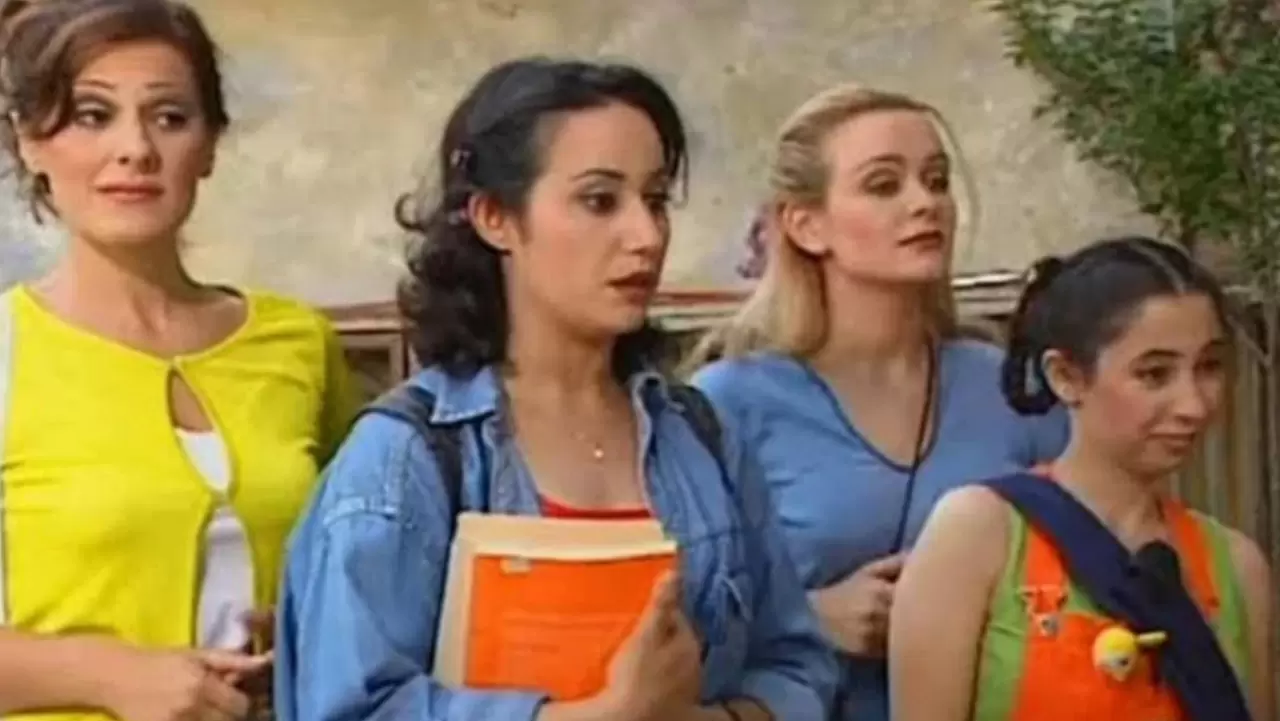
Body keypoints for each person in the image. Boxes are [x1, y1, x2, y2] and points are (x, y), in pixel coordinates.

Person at [274, 57, 838, 721]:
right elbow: (353, 707)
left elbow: (797, 663)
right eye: (599, 201)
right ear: (495, 217)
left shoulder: (699, 434)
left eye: (656, 201)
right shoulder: (409, 459)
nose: (646, 236)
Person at [0, 2, 359, 721]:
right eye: (93, 116)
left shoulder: (297, 341)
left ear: (210, 144)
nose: (135, 148)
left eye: (169, 117)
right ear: (29, 141)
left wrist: (311, 636)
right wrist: (109, 675)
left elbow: (361, 567)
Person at [683, 84, 1068, 720]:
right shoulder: (728, 403)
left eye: (937, 181)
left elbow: (1093, 564)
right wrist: (811, 618)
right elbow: (674, 622)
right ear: (806, 225)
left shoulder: (1011, 388)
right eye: (884, 185)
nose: (925, 203)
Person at [890, 236, 1274, 721]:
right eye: (1154, 374)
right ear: (1066, 377)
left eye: (1210, 367)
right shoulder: (979, 536)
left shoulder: (1236, 568)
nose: (1193, 404)